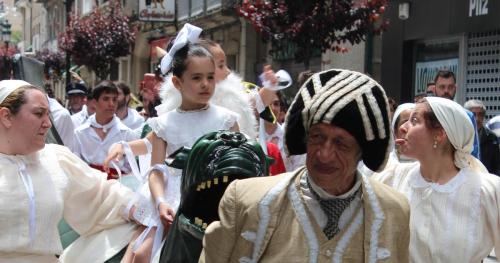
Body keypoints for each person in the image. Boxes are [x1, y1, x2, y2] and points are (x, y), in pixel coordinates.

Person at [199, 69, 410, 262]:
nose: (325, 154)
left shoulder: (393, 212)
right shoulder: (246, 201)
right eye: (317, 136)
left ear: (361, 151)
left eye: (341, 143)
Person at [106, 23, 241, 261]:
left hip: (218, 197)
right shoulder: (165, 124)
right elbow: (156, 171)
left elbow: (240, 163)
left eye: (210, 77)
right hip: (172, 199)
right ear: (177, 83)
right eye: (197, 78)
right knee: (141, 254)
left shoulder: (227, 119)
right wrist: (159, 202)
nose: (205, 84)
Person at [0, 80, 143, 262]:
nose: (48, 123)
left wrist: (143, 211)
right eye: (39, 114)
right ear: (6, 116)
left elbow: (101, 195)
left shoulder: (56, 160)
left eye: (48, 115)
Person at [374, 97, 500, 262]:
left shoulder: (487, 191)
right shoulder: (392, 179)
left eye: (414, 120)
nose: (403, 127)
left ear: (440, 134)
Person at [73, 81, 139, 180]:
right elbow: (75, 165)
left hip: (118, 187)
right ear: (94, 102)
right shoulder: (80, 133)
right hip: (88, 186)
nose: (111, 104)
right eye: (106, 99)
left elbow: (134, 170)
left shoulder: (127, 134)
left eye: (115, 100)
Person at [433, 69, 481, 158]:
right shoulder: (426, 115)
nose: (446, 91)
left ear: (455, 88)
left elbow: (474, 152)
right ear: (434, 89)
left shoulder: (467, 116)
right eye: (442, 87)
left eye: (450, 87)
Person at [464, 99, 500, 175]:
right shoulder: (460, 136)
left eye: (481, 114)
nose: (477, 119)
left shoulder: (492, 138)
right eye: (474, 114)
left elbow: (497, 165)